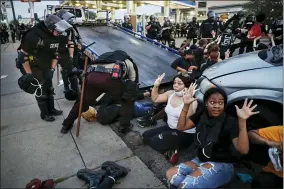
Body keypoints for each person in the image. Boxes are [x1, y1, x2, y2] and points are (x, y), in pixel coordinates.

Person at [166, 87, 259, 188]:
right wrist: (186, 105)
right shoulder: (202, 114)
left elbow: (243, 150)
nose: (216, 106)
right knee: (171, 174)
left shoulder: (230, 121)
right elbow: (181, 127)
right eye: (213, 102)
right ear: (206, 103)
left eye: (220, 103)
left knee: (186, 185)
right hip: (201, 160)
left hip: (223, 165)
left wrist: (242, 120)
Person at [60, 50, 139, 134]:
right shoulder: (129, 62)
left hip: (91, 76)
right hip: (110, 79)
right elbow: (133, 82)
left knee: (82, 102)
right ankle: (124, 126)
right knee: (127, 100)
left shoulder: (105, 56)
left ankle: (66, 124)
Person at [17, 15, 72, 121]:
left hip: (46, 65)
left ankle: (51, 109)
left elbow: (56, 54)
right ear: (50, 27)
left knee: (49, 89)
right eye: (57, 30)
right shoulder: (34, 36)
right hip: (33, 66)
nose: (59, 33)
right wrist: (29, 74)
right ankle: (44, 114)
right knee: (40, 90)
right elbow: (22, 56)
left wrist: (52, 69)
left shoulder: (55, 36)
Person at [142, 73, 199, 164]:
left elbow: (184, 124)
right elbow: (155, 99)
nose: (175, 85)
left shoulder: (192, 101)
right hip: (171, 127)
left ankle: (172, 151)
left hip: (185, 133)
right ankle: (168, 147)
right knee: (145, 135)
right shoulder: (171, 93)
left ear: (187, 86)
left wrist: (186, 103)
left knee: (154, 141)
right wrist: (156, 86)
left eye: (179, 83)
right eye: (174, 82)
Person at [55, 9, 81, 95]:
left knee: (76, 67)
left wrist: (80, 44)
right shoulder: (58, 29)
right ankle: (66, 86)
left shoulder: (71, 27)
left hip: (74, 50)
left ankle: (81, 81)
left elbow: (77, 37)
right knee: (66, 70)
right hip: (63, 53)